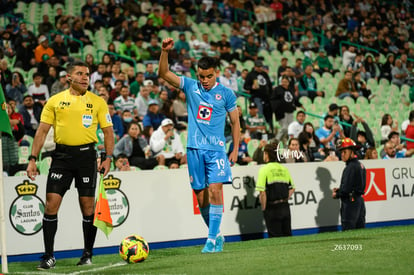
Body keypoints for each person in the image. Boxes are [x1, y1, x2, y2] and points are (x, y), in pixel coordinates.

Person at [26, 61, 115, 269]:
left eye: (87, 74)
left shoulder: (98, 102)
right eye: (80, 73)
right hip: (61, 158)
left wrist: (108, 156)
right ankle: (49, 256)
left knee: (87, 207)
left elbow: (108, 132)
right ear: (69, 78)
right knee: (51, 204)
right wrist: (32, 158)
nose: (85, 77)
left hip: (86, 158)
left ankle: (87, 253)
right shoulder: (55, 101)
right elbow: (41, 131)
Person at [158, 37, 240, 253]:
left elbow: (235, 122)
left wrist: (235, 148)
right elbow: (164, 74)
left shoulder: (227, 94)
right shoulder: (191, 86)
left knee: (215, 191)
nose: (205, 80)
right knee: (201, 196)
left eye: (209, 76)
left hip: (217, 151)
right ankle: (217, 235)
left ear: (217, 74)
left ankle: (211, 240)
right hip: (194, 150)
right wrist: (164, 52)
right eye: (202, 76)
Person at [256, 143, 296, 237]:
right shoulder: (284, 168)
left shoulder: (264, 169)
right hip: (285, 206)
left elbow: (262, 192)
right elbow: (292, 188)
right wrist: (284, 198)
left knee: (275, 238)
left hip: (272, 208)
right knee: (287, 236)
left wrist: (264, 208)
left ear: (266, 154)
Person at [332, 138, 366, 231]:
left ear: (352, 151)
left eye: (345, 152)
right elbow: (355, 186)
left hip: (350, 203)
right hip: (359, 201)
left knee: (348, 230)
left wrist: (337, 194)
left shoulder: (350, 167)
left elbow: (346, 189)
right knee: (360, 230)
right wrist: (340, 190)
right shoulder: (360, 165)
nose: (342, 154)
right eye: (341, 152)